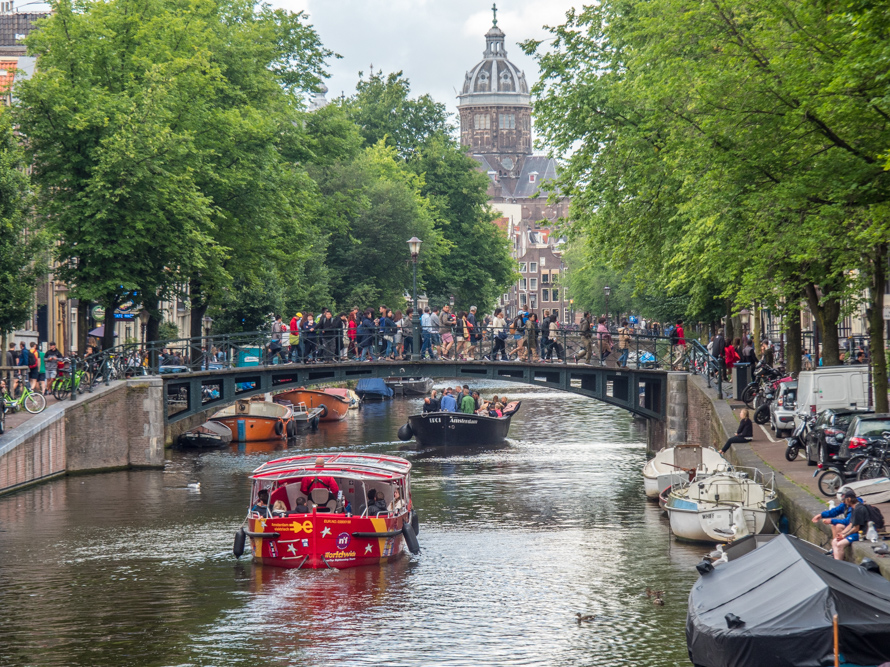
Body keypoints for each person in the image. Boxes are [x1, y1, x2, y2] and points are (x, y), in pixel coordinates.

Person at [832, 488, 870, 560]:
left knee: (840, 544)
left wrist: (844, 535)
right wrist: (842, 533)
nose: (844, 503)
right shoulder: (853, 508)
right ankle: (836, 560)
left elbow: (856, 528)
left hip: (861, 534)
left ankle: (839, 563)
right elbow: (851, 524)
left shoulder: (858, 509)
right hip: (855, 532)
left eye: (845, 500)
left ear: (849, 499)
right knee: (834, 541)